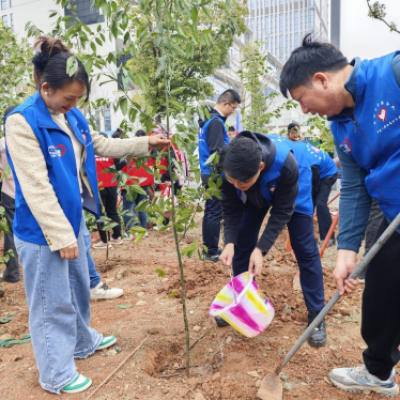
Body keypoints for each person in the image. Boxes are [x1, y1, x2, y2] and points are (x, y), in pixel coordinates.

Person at [5, 36, 168, 395]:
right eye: (69, 98)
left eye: (79, 98)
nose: (74, 105)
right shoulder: (21, 122)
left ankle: (82, 341)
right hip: (42, 229)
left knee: (79, 288)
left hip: (73, 218)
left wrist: (144, 144)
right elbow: (35, 187)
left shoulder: (71, 114)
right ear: (45, 87)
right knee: (51, 302)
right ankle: (56, 372)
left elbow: (100, 144)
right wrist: (60, 235)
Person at [279, 33, 400, 397]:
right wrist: (345, 254)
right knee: (382, 288)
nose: (303, 111)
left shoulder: (392, 73)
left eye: (302, 99)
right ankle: (378, 371)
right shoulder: (340, 127)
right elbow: (353, 186)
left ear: (321, 79)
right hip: (393, 212)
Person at [217, 132, 326, 347]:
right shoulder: (228, 167)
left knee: (305, 248)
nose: (236, 185)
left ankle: (317, 315)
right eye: (232, 181)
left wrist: (262, 249)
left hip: (292, 190)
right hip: (255, 194)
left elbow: (283, 210)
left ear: (259, 167)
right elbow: (231, 210)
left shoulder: (286, 164)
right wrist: (229, 241)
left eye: (242, 182)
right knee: (241, 244)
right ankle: (243, 303)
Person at [198, 89, 241, 262]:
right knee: (214, 212)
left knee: (212, 211)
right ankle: (211, 251)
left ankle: (211, 248)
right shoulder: (215, 122)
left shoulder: (208, 120)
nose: (232, 112)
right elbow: (217, 152)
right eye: (233, 108)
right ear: (225, 104)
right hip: (214, 174)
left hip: (208, 173)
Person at [289, 126, 339, 246]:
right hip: (317, 173)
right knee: (308, 202)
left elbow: (314, 185)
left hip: (328, 174)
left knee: (320, 203)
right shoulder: (294, 148)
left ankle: (328, 237)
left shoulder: (309, 161)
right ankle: (306, 234)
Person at [92, 132, 126, 248]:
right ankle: (117, 237)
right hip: (112, 184)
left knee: (99, 213)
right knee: (112, 211)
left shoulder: (92, 152)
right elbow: (122, 163)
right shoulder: (111, 153)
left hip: (99, 185)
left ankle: (105, 240)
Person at [121, 129, 156, 237]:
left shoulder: (129, 149)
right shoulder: (146, 151)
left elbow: (123, 167)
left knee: (127, 208)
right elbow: (151, 167)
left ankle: (128, 232)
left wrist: (122, 184)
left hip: (131, 181)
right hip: (144, 181)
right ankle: (143, 231)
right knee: (141, 207)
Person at [0, 105, 19, 283]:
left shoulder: (2, 144)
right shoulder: (31, 139)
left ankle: (13, 273)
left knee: (10, 232)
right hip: (31, 193)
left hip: (9, 192)